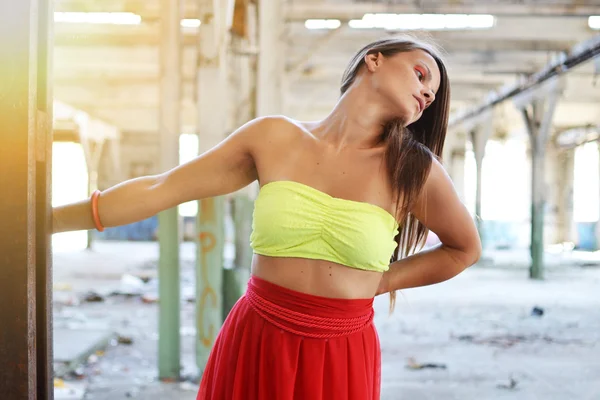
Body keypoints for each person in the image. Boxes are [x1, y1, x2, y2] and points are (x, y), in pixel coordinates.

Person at [52, 36, 481, 399]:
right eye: (422, 75)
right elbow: (162, 187)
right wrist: (42, 222)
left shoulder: (415, 169)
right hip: (257, 336)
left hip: (341, 350)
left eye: (432, 96)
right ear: (374, 60)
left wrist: (381, 280)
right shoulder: (274, 136)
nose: (427, 95)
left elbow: (464, 249)